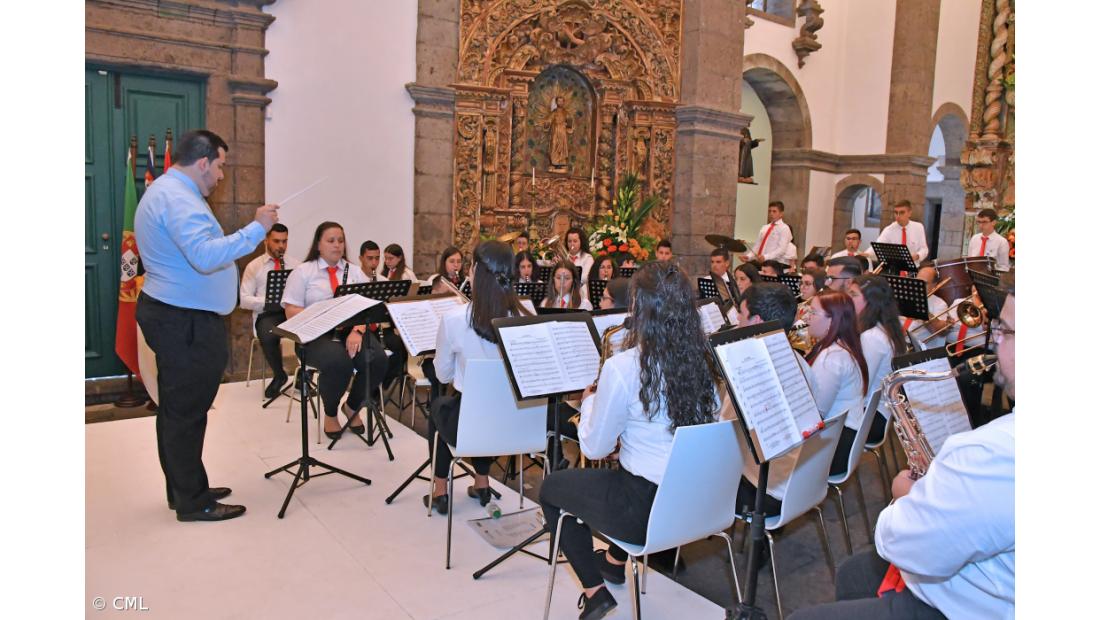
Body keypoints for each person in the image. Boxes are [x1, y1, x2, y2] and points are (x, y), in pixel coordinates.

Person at [789, 290, 1015, 620]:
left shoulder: (990, 452)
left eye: (1005, 330)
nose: (993, 342)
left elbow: (903, 545)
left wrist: (906, 494)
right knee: (855, 572)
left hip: (968, 607)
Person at [539, 262, 725, 619]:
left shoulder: (625, 367)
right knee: (627, 472)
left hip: (643, 512)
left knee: (553, 488)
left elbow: (593, 449)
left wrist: (590, 400)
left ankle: (595, 593)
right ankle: (612, 561)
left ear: (640, 308)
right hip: (695, 503)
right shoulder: (704, 361)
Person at [135, 129, 278, 522]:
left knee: (179, 410)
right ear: (202, 162)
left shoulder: (173, 193)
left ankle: (184, 485)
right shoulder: (176, 198)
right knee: (185, 413)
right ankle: (193, 501)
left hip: (179, 313)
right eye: (219, 166)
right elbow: (203, 255)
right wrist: (256, 229)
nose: (220, 175)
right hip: (183, 319)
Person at [425, 241, 533, 514]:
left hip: (470, 429)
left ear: (474, 271)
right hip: (517, 427)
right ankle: (481, 481)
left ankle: (440, 489)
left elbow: (443, 374)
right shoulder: (527, 316)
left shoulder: (454, 320)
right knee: (486, 407)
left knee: (439, 406)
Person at [282, 222, 389, 440]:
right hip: (315, 335)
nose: (337, 245)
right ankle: (330, 412)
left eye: (340, 240)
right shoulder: (303, 272)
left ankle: (351, 406)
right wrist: (321, 318)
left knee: (377, 359)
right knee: (338, 363)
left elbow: (366, 306)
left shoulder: (355, 272)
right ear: (318, 244)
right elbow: (291, 310)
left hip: (351, 330)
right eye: (331, 240)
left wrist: (357, 331)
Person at [734, 282, 810, 515]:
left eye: (741, 315)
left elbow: (726, 436)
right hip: (798, 479)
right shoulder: (801, 362)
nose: (737, 321)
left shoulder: (746, 369)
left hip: (763, 487)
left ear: (756, 322)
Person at [803, 290, 869, 476]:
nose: (807, 317)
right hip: (845, 437)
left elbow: (816, 413)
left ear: (832, 320)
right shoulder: (844, 346)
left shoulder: (831, 358)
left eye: (813, 312)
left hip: (836, 448)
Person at [240, 223, 300, 398]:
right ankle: (279, 375)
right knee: (268, 334)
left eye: (284, 241)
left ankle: (304, 375)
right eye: (276, 241)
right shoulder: (254, 266)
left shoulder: (296, 265)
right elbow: (244, 299)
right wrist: (268, 302)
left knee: (307, 329)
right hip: (267, 314)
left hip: (290, 311)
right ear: (266, 240)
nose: (281, 246)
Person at [848, 275, 908, 446]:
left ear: (870, 301)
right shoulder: (884, 329)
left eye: (853, 295)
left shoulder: (872, 337)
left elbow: (860, 386)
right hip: (880, 413)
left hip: (870, 418)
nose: (847, 299)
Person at [968, 208, 1011, 272]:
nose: (981, 225)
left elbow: (1004, 267)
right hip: (973, 274)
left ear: (993, 222)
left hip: (991, 277)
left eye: (984, 222)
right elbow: (969, 260)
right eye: (979, 222)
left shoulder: (1002, 242)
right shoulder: (974, 238)